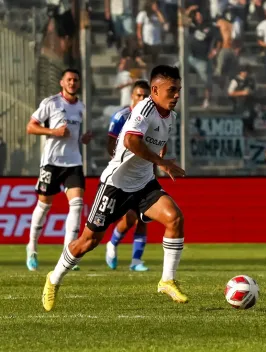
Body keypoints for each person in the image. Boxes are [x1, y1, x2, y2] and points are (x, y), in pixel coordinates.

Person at [42, 65, 187, 312]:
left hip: (143, 184)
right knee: (88, 241)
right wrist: (162, 162)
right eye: (171, 90)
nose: (176, 95)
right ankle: (53, 278)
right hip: (115, 185)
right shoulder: (145, 107)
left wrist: (159, 156)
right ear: (154, 90)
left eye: (178, 90)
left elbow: (153, 144)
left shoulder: (170, 117)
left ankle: (167, 280)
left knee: (175, 218)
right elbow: (131, 140)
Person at [26, 68, 92, 272]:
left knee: (77, 204)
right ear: (62, 83)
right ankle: (32, 248)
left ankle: (68, 254)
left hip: (73, 163)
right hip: (52, 162)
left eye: (75, 80)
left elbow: (76, 135)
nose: (72, 83)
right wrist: (53, 131)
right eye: (69, 80)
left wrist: (83, 139)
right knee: (44, 206)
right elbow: (31, 127)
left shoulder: (81, 107)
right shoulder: (51, 103)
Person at [106, 80, 152, 272]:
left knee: (144, 216)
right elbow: (110, 144)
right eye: (138, 95)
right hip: (124, 175)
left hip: (145, 173)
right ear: (132, 96)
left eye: (145, 95)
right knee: (130, 217)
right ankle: (112, 243)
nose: (141, 98)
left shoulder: (152, 118)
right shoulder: (121, 116)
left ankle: (136, 261)